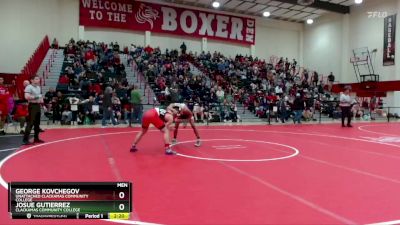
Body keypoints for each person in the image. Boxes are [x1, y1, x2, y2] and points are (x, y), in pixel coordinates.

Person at [23, 76, 45, 144]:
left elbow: (40, 97)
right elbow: (26, 97)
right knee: (30, 123)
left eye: (38, 79)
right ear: (32, 80)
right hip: (32, 106)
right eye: (36, 79)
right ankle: (25, 139)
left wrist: (43, 105)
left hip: (38, 105)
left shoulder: (38, 87)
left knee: (37, 123)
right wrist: (36, 97)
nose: (38, 80)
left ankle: (36, 138)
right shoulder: (29, 87)